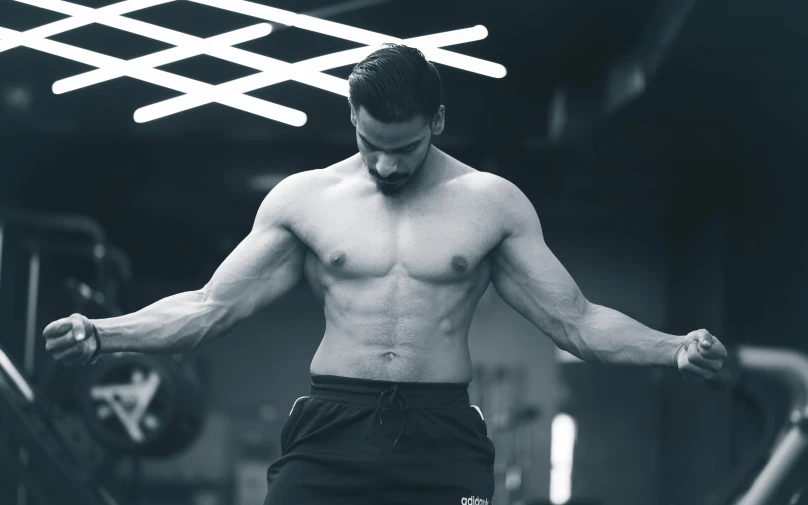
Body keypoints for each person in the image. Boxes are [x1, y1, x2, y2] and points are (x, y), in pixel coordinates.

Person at [42, 44, 727, 504]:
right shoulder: (304, 200)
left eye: (404, 148)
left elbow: (577, 322)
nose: (387, 165)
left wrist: (675, 347)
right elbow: (208, 306)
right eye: (371, 144)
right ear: (352, 118)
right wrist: (104, 331)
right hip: (331, 425)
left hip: (440, 430)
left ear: (437, 119)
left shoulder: (490, 204)